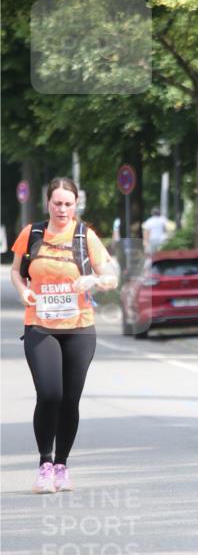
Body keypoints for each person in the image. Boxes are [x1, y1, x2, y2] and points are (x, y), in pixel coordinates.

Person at [11, 177, 118, 494]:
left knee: (70, 400)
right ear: (48, 203)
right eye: (57, 203)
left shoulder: (86, 236)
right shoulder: (33, 233)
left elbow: (111, 275)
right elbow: (17, 270)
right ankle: (44, 465)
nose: (62, 209)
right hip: (40, 325)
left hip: (80, 328)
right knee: (49, 394)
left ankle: (62, 466)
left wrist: (95, 282)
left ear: (76, 205)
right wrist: (22, 291)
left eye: (68, 204)